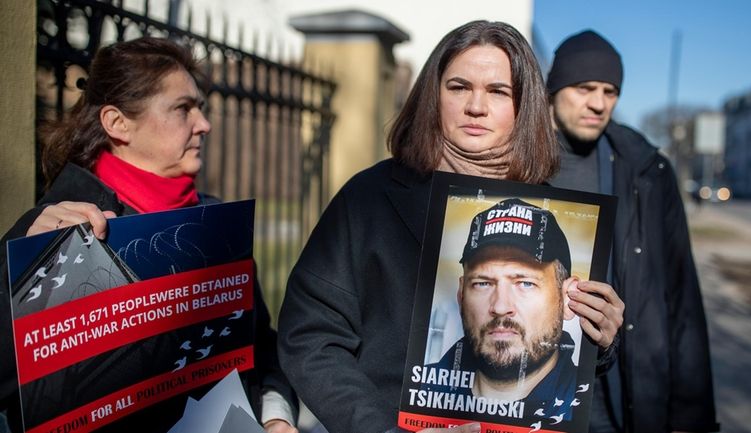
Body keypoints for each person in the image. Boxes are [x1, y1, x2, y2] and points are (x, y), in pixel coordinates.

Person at [277, 20, 624, 433]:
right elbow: (311, 336)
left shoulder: (555, 212)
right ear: (433, 95)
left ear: (524, 105)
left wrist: (599, 338)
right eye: (458, 87)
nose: (476, 106)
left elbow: (565, 356)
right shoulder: (369, 197)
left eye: (498, 91)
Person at [0, 37, 298, 433]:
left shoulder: (215, 222)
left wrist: (275, 414)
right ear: (117, 123)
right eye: (182, 109)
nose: (203, 125)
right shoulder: (50, 228)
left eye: (200, 109)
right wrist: (25, 282)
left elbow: (260, 347)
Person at [545, 30, 719, 433]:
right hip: (535, 391)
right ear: (553, 88)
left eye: (610, 91)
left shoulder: (649, 173)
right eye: (584, 87)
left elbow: (682, 300)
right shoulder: (515, 161)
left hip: (621, 395)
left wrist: (693, 417)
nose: (599, 103)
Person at [427, 198, 579, 418]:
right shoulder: (421, 391)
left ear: (567, 298)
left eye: (525, 283)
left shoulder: (586, 407)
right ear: (461, 296)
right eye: (483, 283)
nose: (500, 307)